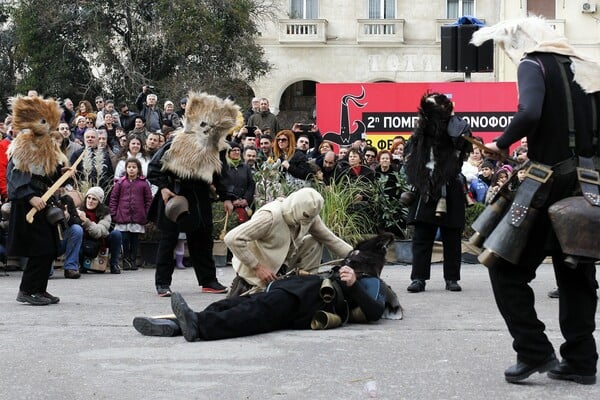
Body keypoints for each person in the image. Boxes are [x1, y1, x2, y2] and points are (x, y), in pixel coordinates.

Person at [471, 16, 599, 384]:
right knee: (576, 274)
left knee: (503, 269)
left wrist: (501, 143)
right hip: (588, 188)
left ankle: (533, 350)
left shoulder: (534, 62)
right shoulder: (588, 69)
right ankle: (581, 361)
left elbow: (529, 113)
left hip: (547, 186)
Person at [133, 233, 399, 340]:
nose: (350, 260)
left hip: (310, 303)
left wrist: (352, 285)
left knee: (257, 311)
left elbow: (375, 312)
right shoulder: (343, 265)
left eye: (356, 258)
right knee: (237, 303)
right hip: (297, 290)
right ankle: (181, 325)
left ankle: (200, 327)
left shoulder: (371, 280)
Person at [147, 92, 236, 297]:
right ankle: (162, 283)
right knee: (168, 241)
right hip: (174, 195)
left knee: (203, 240)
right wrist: (163, 187)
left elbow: (221, 175)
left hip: (200, 195)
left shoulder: (218, 147)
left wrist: (227, 197)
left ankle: (208, 281)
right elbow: (153, 168)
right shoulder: (177, 142)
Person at [225, 187, 353, 294]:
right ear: (296, 208)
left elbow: (330, 239)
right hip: (258, 272)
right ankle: (246, 286)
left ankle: (305, 288)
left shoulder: (309, 213)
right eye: (305, 219)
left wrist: (359, 257)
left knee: (314, 241)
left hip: (282, 266)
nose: (307, 223)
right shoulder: (270, 216)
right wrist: (257, 267)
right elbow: (232, 238)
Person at [404, 92, 472, 294]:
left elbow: (464, 144)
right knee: (422, 235)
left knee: (452, 236)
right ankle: (418, 278)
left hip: (450, 185)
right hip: (426, 186)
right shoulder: (421, 130)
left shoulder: (457, 126)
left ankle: (452, 278)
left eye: (433, 106)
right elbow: (412, 152)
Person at [7, 95, 71, 305]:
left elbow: (46, 174)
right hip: (28, 203)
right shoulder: (23, 143)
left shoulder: (46, 144)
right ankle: (26, 290)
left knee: (50, 247)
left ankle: (40, 289)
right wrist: (30, 196)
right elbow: (15, 175)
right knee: (39, 248)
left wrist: (63, 171)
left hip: (44, 200)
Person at [110, 158, 153, 271]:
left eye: (134, 167)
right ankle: (126, 260)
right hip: (122, 216)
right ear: (126, 169)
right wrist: (114, 213)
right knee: (124, 239)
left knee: (134, 240)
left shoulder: (143, 184)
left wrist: (147, 214)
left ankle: (133, 260)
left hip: (138, 217)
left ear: (138, 169)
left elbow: (148, 200)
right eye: (129, 167)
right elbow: (114, 198)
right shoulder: (120, 183)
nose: (131, 169)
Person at [78, 187, 123, 274]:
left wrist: (86, 221)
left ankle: (114, 264)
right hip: (85, 242)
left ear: (99, 202)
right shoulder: (79, 211)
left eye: (94, 199)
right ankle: (81, 264)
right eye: (89, 197)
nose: (90, 201)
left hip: (100, 241)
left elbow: (98, 233)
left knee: (116, 234)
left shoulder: (105, 213)